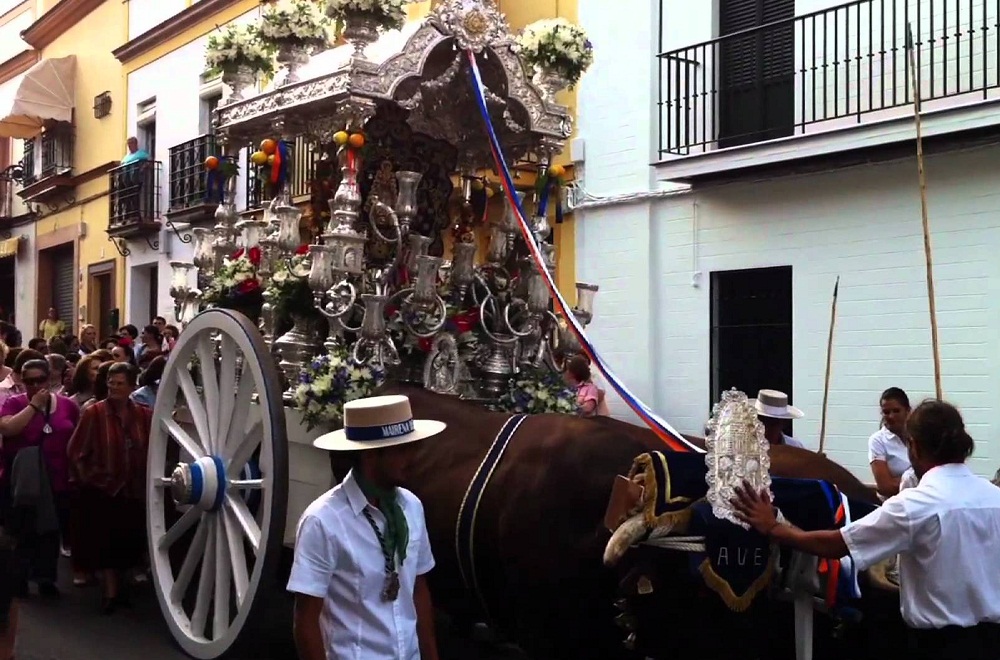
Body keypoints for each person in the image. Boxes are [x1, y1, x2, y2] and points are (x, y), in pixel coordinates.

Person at [733, 399, 1000, 660]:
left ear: (914, 447)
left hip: (939, 646)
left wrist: (773, 527)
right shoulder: (995, 498)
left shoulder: (914, 505)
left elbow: (837, 545)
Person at [288, 395, 442, 660]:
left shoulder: (412, 507)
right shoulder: (323, 521)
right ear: (371, 454)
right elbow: (306, 621)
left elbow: (418, 588)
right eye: (401, 449)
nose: (413, 457)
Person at [67, 362, 151, 614]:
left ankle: (121, 592)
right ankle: (110, 594)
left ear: (132, 386)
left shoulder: (144, 415)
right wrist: (88, 481)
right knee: (105, 544)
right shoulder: (94, 413)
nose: (113, 387)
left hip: (132, 489)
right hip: (103, 489)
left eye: (120, 383)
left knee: (127, 541)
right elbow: (75, 450)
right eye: (111, 383)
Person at [0, 358, 80, 599]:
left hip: (57, 478)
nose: (35, 385)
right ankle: (20, 579)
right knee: (22, 532)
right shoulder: (14, 403)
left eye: (39, 380)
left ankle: (46, 578)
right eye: (29, 381)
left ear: (49, 379)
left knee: (50, 530)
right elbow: (8, 429)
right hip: (22, 480)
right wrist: (33, 406)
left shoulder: (67, 405)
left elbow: (76, 436)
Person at [869, 387, 912, 498]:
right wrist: (920, 480)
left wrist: (900, 481)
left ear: (908, 410)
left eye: (896, 411)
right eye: (886, 412)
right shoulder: (878, 440)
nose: (891, 416)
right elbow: (886, 487)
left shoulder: (920, 435)